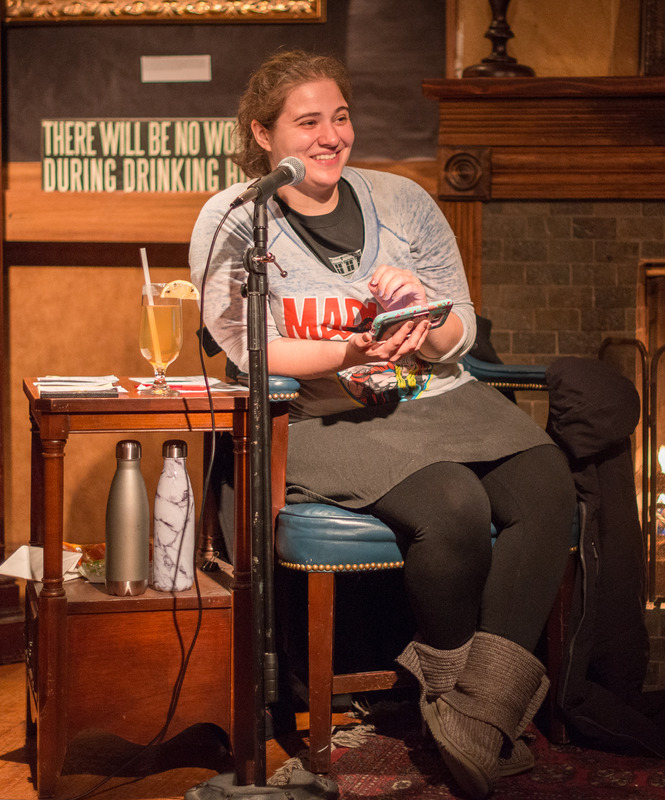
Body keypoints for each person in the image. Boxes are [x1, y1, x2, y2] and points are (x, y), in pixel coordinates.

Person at [190, 49, 576, 800]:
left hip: (438, 396)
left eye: (340, 117)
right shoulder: (235, 217)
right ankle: (469, 716)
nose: (331, 136)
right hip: (324, 416)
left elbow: (460, 328)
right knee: (454, 506)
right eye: (308, 122)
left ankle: (473, 716)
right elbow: (244, 343)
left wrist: (423, 314)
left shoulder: (403, 202)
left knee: (546, 481)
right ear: (264, 134)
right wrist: (350, 349)